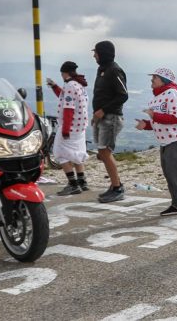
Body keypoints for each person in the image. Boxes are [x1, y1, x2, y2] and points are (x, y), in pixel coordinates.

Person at [135, 68, 177, 217]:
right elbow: (158, 122)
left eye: (154, 78)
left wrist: (154, 116)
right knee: (169, 174)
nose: (151, 81)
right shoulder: (155, 99)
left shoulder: (174, 94)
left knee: (175, 173)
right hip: (167, 141)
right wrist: (146, 124)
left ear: (164, 80)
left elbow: (176, 118)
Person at [91, 40, 128, 203]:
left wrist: (103, 110)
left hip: (111, 117)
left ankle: (117, 187)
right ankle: (115, 185)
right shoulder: (103, 70)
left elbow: (123, 95)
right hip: (102, 117)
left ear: (103, 53)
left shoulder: (114, 70)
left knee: (105, 152)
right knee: (102, 153)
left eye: (96, 52)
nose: (94, 55)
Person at [46, 61, 90, 196]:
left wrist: (65, 129)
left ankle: (73, 184)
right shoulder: (79, 85)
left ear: (64, 73)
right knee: (77, 153)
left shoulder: (70, 86)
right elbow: (66, 98)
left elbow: (68, 109)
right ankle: (82, 182)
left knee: (59, 152)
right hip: (80, 127)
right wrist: (55, 87)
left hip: (70, 127)